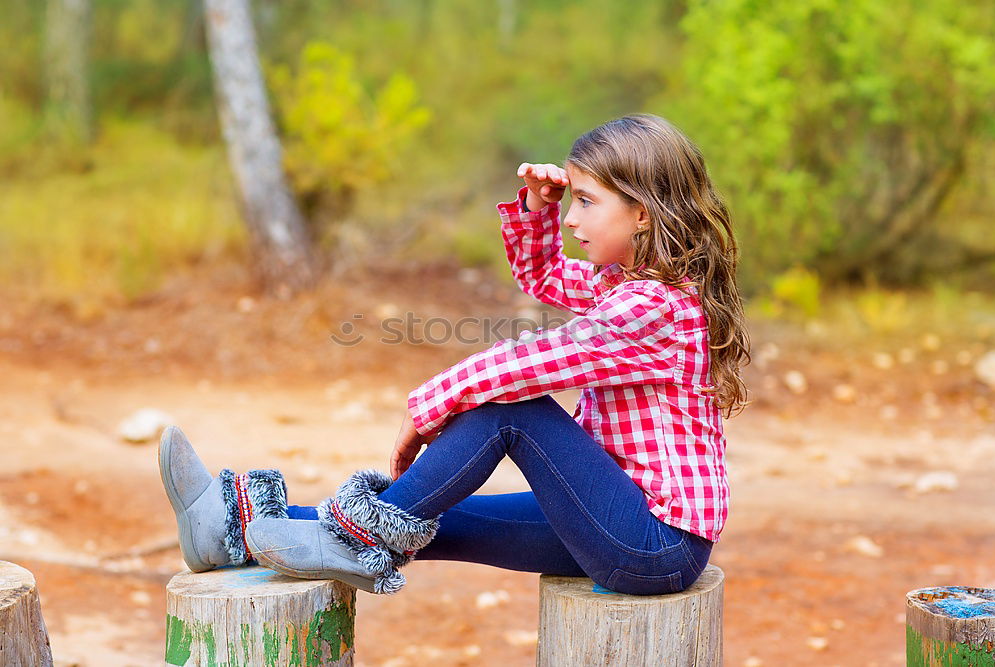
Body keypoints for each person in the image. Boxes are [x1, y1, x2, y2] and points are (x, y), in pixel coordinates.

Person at [159, 113, 751, 596]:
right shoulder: (625, 284)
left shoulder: (655, 307)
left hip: (654, 544)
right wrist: (537, 208)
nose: (572, 218)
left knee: (512, 410)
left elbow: (528, 364)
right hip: (614, 515)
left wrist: (426, 408)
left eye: (587, 202)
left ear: (642, 213)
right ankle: (231, 530)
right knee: (428, 521)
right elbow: (544, 278)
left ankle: (350, 537)